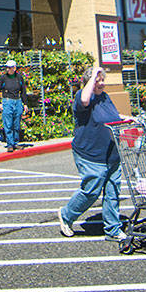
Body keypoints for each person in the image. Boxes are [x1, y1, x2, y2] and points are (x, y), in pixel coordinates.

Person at [56, 65, 126, 241]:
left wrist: (124, 118)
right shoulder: (82, 96)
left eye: (103, 79)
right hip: (90, 154)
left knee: (112, 191)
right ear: (89, 81)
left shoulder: (105, 97)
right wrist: (93, 74)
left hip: (111, 153)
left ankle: (113, 229)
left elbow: (112, 114)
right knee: (91, 191)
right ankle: (66, 215)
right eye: (98, 80)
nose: (101, 83)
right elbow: (85, 101)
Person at [0, 58, 28, 152]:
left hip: (17, 101)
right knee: (8, 123)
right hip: (7, 101)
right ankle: (10, 144)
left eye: (10, 68)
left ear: (14, 68)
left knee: (16, 123)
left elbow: (23, 91)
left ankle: (16, 143)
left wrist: (25, 104)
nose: (8, 69)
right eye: (7, 68)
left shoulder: (19, 78)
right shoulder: (3, 78)